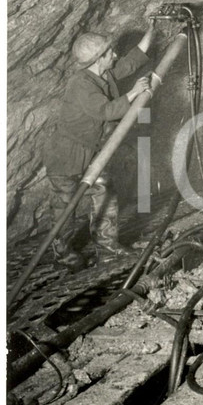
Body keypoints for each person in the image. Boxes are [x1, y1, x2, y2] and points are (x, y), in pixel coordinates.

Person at [43, 20, 156, 269]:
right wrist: (133, 93)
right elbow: (105, 111)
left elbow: (132, 60)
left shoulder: (104, 75)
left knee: (106, 192)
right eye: (109, 52)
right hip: (66, 157)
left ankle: (106, 242)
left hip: (90, 152)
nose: (114, 55)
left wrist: (153, 27)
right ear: (98, 58)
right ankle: (62, 254)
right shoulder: (81, 84)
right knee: (65, 206)